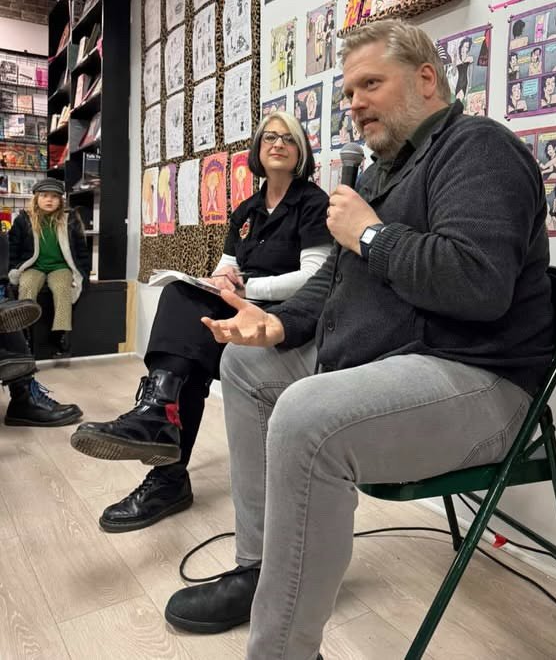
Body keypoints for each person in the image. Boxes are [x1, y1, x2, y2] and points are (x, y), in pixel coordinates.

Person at [160, 20, 553, 657]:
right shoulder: (376, 175)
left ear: (427, 80)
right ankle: (262, 571)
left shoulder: (478, 146)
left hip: (483, 382)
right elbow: (338, 284)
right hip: (400, 361)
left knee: (306, 416)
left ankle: (281, 649)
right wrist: (279, 324)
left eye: (371, 84)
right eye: (348, 93)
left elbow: (479, 285)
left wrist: (370, 235)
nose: (355, 104)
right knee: (246, 368)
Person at [70, 113, 332, 533]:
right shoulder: (247, 209)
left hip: (287, 316)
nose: (278, 144)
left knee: (187, 354)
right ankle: (161, 415)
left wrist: (248, 288)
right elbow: (226, 266)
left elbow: (315, 276)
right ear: (258, 150)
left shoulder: (314, 203)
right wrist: (217, 280)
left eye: (289, 139)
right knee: (182, 311)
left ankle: (165, 450)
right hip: (244, 302)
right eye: (269, 137)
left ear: (300, 152)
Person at [0, 231, 83, 426]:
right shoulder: (25, 221)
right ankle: (24, 394)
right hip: (31, 270)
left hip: (59, 270)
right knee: (7, 311)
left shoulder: (68, 220)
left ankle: (24, 392)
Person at [9, 179, 90, 358]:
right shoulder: (24, 219)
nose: (49, 200)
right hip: (33, 266)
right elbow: (13, 246)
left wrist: (84, 273)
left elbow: (82, 250)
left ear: (61, 200)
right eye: (44, 196)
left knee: (62, 289)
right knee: (27, 286)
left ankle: (60, 337)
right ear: (36, 198)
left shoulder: (70, 219)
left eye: (54, 196)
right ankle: (25, 338)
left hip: (61, 267)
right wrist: (12, 270)